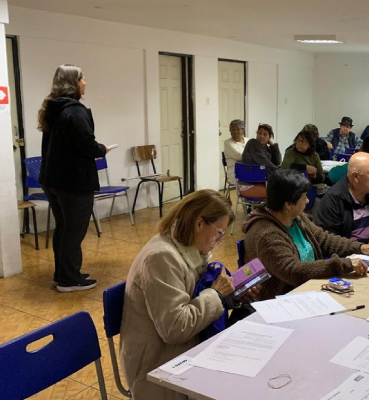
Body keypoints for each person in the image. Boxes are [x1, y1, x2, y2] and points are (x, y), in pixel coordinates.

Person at [121, 190, 242, 400]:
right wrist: (216, 294)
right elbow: (176, 328)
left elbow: (196, 296)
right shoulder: (161, 257)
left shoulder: (186, 247)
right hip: (156, 367)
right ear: (199, 223)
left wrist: (232, 295)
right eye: (219, 233)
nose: (220, 240)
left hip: (180, 351)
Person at [242, 170, 369, 300]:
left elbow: (323, 239)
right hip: (285, 298)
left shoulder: (296, 217)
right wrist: (344, 264)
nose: (307, 200)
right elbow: (294, 271)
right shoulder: (267, 235)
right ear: (288, 204)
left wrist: (360, 247)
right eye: (304, 197)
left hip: (310, 287)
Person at [38, 64, 108, 292]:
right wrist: (102, 149)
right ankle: (69, 280)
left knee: (64, 228)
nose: (85, 82)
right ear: (73, 83)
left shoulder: (52, 108)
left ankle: (63, 274)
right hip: (73, 182)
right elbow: (86, 144)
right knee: (74, 231)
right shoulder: (75, 111)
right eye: (82, 78)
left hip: (53, 180)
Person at [240, 123, 281, 198]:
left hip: (261, 182)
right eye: (259, 133)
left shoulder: (266, 148)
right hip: (248, 184)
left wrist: (273, 146)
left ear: (269, 137)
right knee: (282, 190)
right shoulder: (253, 143)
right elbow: (264, 163)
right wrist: (281, 172)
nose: (261, 136)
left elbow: (277, 162)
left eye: (265, 134)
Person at [223, 119, 250, 186]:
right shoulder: (228, 143)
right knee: (253, 178)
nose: (235, 132)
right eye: (233, 129)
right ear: (230, 131)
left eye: (238, 129)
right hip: (235, 171)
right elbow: (240, 156)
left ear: (243, 131)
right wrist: (254, 155)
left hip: (250, 168)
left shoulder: (249, 141)